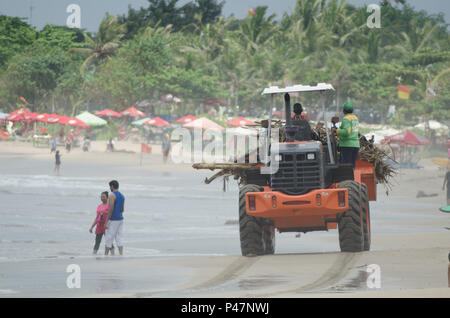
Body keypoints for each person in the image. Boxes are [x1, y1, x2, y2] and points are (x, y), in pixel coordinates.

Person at [336, 102, 360, 168]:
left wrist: (337, 131)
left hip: (347, 145)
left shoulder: (346, 118)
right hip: (355, 145)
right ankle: (351, 178)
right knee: (351, 167)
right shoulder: (355, 118)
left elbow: (346, 132)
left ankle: (346, 178)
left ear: (344, 110)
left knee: (345, 168)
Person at [104, 180, 125, 256]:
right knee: (119, 237)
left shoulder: (111, 195)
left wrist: (106, 222)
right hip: (120, 219)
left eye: (110, 186)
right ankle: (121, 254)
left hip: (113, 219)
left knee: (109, 237)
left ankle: (105, 254)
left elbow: (111, 209)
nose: (110, 188)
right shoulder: (122, 196)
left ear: (112, 186)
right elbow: (122, 209)